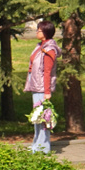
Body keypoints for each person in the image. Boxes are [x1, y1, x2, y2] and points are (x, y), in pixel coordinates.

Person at [24, 20, 60, 154]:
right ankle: (37, 145)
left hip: (42, 88)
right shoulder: (40, 46)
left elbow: (47, 72)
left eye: (38, 30)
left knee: (43, 118)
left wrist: (47, 92)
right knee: (37, 118)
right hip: (36, 85)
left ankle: (43, 148)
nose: (36, 32)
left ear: (44, 33)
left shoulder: (49, 50)